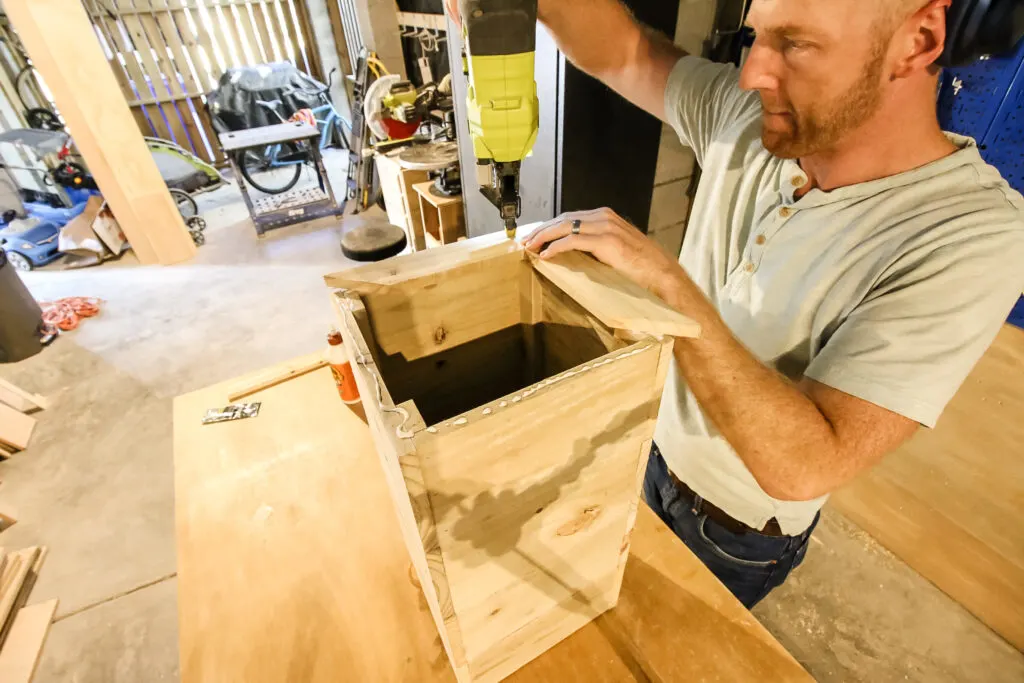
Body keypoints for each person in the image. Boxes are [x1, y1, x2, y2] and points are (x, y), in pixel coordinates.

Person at [451, 0, 1024, 607]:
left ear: (920, 40)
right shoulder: (746, 118)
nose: (752, 72)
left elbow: (806, 464)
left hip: (735, 530)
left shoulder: (973, 235)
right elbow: (622, 50)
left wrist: (670, 287)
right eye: (757, 35)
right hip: (647, 450)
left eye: (796, 43)